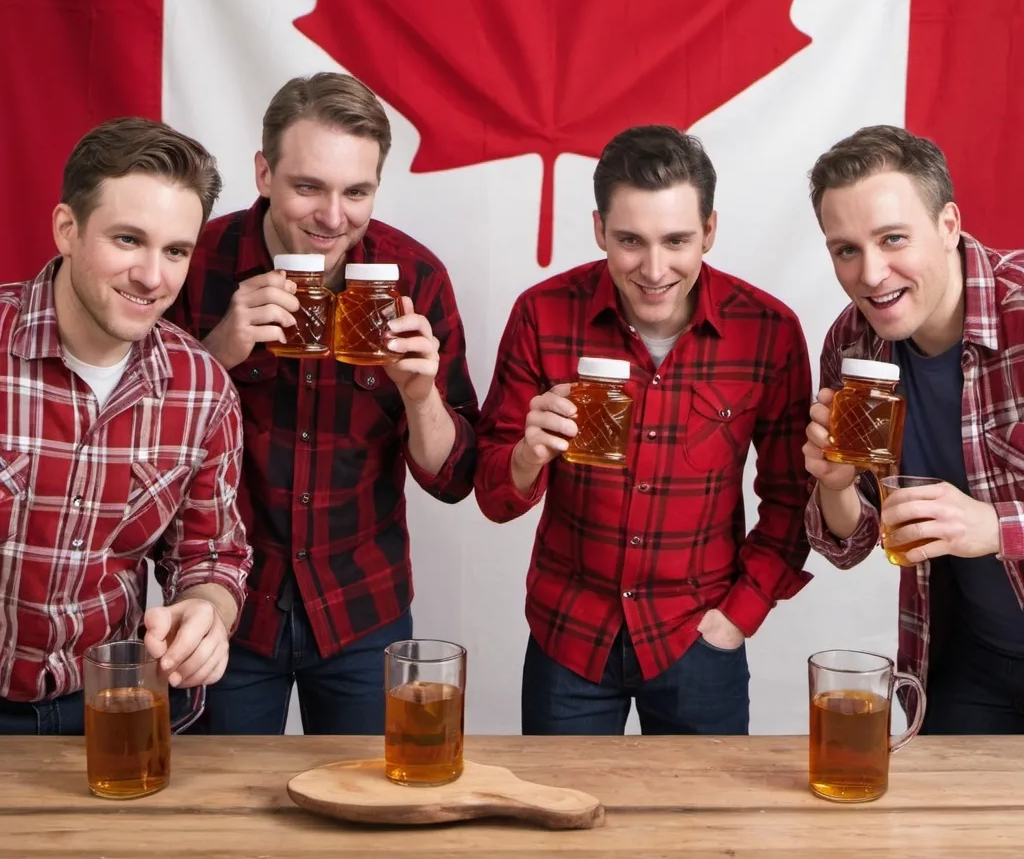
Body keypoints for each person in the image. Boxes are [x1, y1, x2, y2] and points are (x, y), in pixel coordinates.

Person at [474, 124, 813, 735]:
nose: (653, 269)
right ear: (600, 229)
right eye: (629, 240)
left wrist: (739, 615)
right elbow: (494, 497)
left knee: (702, 830)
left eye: (676, 240)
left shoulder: (769, 331)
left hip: (699, 638)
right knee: (559, 821)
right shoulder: (542, 314)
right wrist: (527, 455)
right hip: (568, 636)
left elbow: (793, 500)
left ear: (709, 232)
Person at [169, 72, 478, 735]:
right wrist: (216, 351)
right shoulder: (194, 263)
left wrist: (419, 394)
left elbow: (453, 479)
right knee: (221, 823)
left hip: (363, 609)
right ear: (264, 173)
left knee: (371, 815)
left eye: (356, 191)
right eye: (308, 186)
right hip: (224, 606)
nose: (333, 217)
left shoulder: (415, 277)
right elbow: (138, 446)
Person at [0, 117, 251, 735]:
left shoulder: (203, 391)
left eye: (175, 251)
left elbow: (212, 554)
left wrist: (206, 612)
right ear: (67, 229)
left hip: (116, 713)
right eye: (128, 240)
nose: (152, 277)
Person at [803, 124, 1024, 734]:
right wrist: (836, 485)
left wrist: (995, 526)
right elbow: (851, 542)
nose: (872, 274)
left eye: (892, 238)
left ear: (948, 225)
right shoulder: (851, 344)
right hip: (965, 661)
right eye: (846, 249)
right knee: (942, 831)